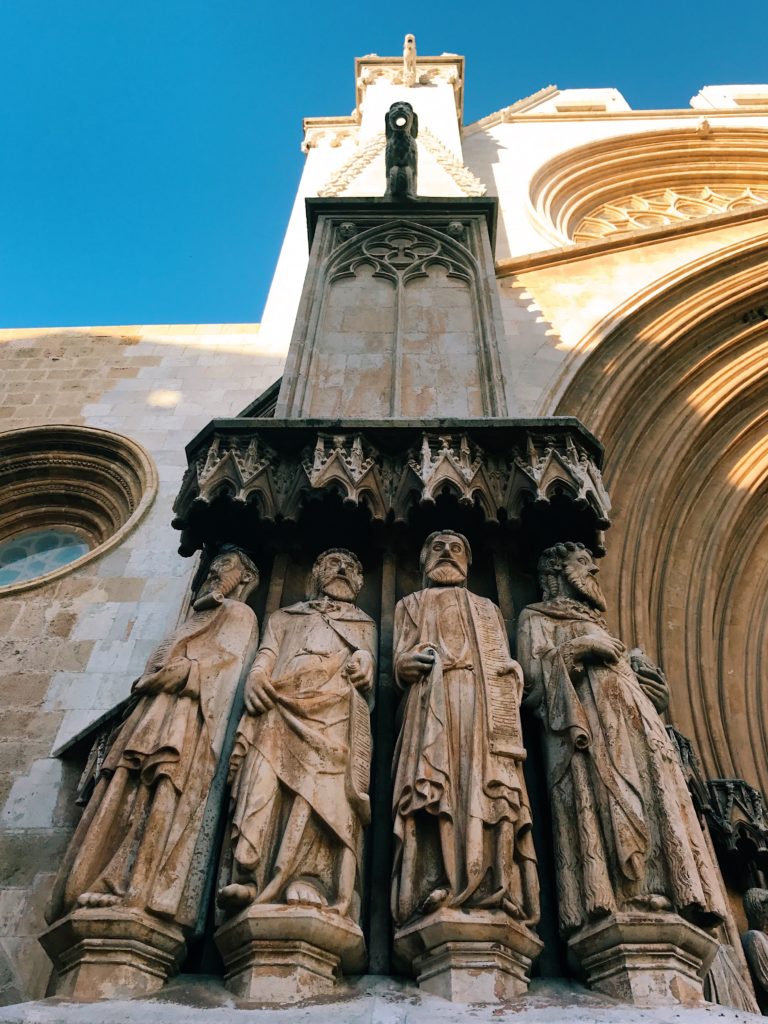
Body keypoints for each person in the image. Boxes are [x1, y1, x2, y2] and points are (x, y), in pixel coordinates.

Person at [516, 541, 726, 937]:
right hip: (590, 728)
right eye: (583, 562)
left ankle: (666, 889)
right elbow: (532, 684)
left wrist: (653, 694)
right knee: (614, 801)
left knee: (653, 800)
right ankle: (625, 896)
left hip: (635, 727)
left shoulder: (601, 622)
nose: (594, 570)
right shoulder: (536, 616)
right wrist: (582, 646)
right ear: (558, 571)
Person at [46, 548, 260, 928]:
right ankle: (105, 877)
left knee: (162, 784)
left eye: (222, 569)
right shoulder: (197, 616)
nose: (213, 574)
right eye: (210, 569)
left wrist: (180, 672)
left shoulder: (238, 614)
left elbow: (227, 669)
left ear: (244, 578)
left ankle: (138, 887)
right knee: (126, 789)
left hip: (185, 718)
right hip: (152, 712)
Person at [218, 548, 375, 922]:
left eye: (350, 566)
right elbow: (267, 655)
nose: (341, 569)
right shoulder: (285, 616)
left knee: (321, 795)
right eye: (331, 563)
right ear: (315, 574)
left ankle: (311, 877)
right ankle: (250, 873)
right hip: (279, 705)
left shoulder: (364, 624)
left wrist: (366, 664)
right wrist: (256, 677)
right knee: (261, 784)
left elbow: (370, 661)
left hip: (334, 712)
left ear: (359, 582)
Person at [391, 530, 539, 928]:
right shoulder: (411, 604)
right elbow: (399, 661)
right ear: (424, 560)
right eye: (437, 548)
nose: (447, 554)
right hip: (431, 704)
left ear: (469, 563)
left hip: (484, 706)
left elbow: (503, 663)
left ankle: (497, 883)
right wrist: (406, 665)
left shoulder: (486, 608)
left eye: (457, 549)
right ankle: (438, 880)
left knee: (491, 789)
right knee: (437, 790)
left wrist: (514, 673)